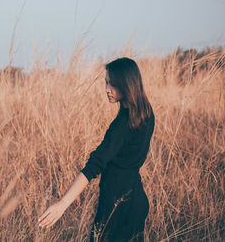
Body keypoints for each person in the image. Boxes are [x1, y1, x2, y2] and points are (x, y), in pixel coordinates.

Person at [38, 57, 155, 241]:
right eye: (106, 83)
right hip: (137, 201)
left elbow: (94, 166)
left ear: (127, 85)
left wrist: (62, 205)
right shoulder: (146, 112)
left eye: (113, 84)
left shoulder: (122, 125)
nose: (107, 89)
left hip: (116, 206)